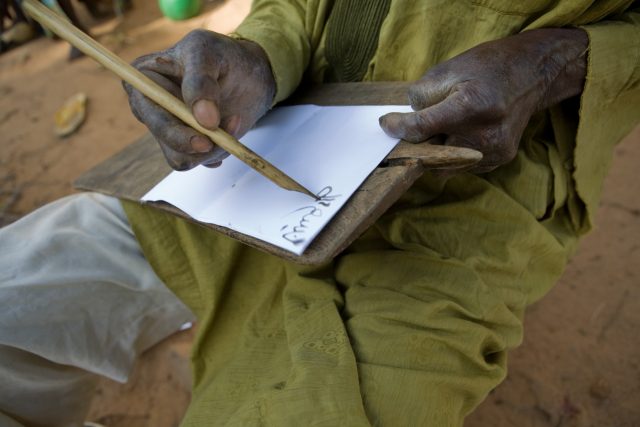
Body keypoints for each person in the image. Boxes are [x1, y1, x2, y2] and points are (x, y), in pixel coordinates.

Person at [1, 0, 639, 426]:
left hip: (467, 204)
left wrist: (556, 61)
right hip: (249, 151)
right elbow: (291, 9)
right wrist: (257, 54)